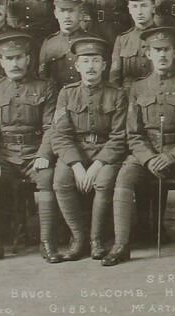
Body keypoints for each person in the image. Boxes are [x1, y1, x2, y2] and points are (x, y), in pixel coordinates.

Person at [113, 28, 175, 264]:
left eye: (166, 50)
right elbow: (133, 134)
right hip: (147, 152)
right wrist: (148, 159)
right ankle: (121, 244)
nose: (162, 55)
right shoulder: (137, 88)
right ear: (148, 54)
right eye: (157, 50)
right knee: (125, 175)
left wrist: (172, 156)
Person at [0, 32, 60, 263]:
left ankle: (47, 242)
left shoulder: (45, 87)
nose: (14, 63)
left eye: (19, 57)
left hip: (34, 154)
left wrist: (44, 154)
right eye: (9, 59)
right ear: (1, 62)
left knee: (48, 177)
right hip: (5, 156)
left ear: (28, 59)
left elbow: (51, 126)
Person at [38, 35, 128, 262]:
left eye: (96, 61)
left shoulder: (117, 94)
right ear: (77, 66)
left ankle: (96, 239)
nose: (91, 66)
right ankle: (79, 237)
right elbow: (60, 134)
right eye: (85, 61)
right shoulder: (66, 93)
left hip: (106, 151)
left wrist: (97, 165)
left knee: (103, 182)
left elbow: (119, 136)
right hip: (75, 151)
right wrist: (77, 166)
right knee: (61, 181)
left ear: (104, 65)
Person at [109, 0, 164, 88]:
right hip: (128, 94)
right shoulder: (122, 39)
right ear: (129, 9)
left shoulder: (164, 36)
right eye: (134, 6)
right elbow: (114, 78)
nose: (139, 12)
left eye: (144, 6)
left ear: (153, 8)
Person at [38, 0, 89, 86]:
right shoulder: (49, 43)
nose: (67, 16)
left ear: (80, 13)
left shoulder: (91, 41)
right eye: (62, 11)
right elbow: (44, 78)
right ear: (56, 14)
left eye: (71, 11)